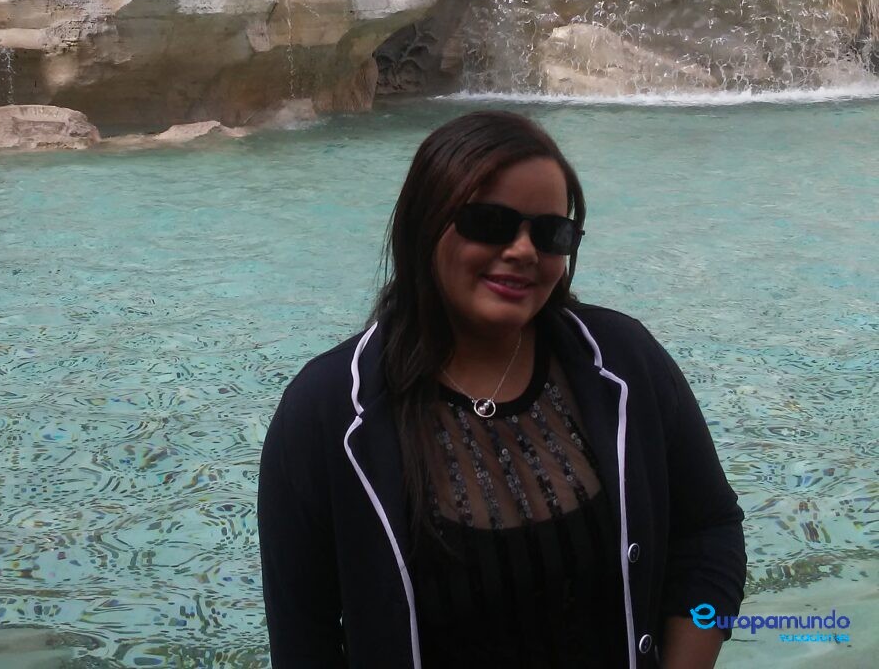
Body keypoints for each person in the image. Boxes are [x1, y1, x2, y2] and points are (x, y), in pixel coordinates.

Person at [258, 110, 746, 668]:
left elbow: (711, 534)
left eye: (550, 232)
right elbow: (304, 640)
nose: (522, 250)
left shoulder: (627, 360)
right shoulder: (325, 414)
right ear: (424, 224)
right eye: (489, 223)